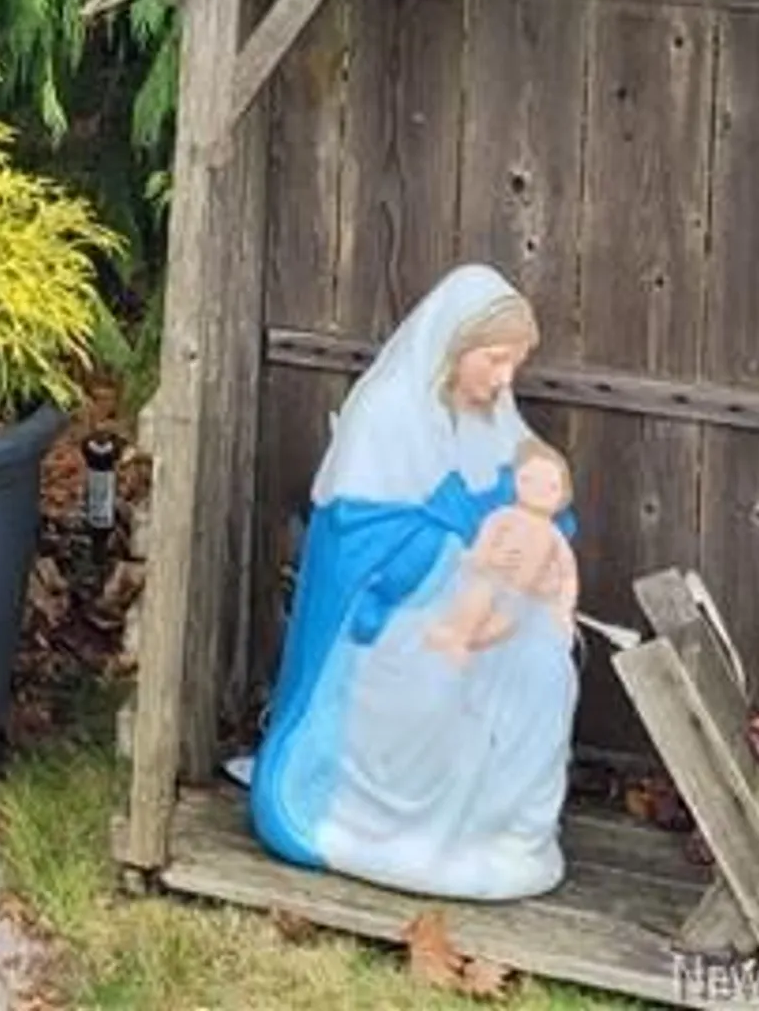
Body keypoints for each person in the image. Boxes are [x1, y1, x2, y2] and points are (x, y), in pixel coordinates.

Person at [249, 264, 580, 901]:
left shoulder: (496, 419)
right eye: (494, 360)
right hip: (387, 621)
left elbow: (544, 495)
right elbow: (361, 542)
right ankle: (382, 823)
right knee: (436, 676)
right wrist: (458, 553)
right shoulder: (384, 417)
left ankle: (507, 833)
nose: (505, 378)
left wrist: (541, 541)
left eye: (516, 362)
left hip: (480, 604)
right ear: (455, 349)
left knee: (542, 660)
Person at [420, 443, 580, 662]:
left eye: (551, 486)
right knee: (477, 595)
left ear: (563, 495)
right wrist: (491, 560)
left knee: (506, 624)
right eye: (528, 480)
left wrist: (563, 608)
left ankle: (465, 643)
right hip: (495, 578)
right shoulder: (503, 518)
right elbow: (477, 553)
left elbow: (568, 575)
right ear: (514, 482)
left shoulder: (554, 536)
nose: (538, 490)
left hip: (523, 596)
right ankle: (455, 631)